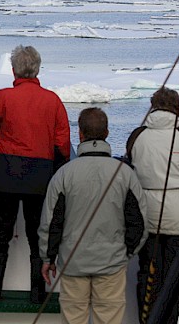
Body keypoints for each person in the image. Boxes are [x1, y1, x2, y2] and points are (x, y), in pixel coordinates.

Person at [0, 45, 71, 304]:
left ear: (14, 69)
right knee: (37, 235)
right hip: (40, 173)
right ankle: (37, 294)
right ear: (38, 68)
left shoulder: (4, 98)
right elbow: (63, 142)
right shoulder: (52, 100)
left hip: (6, 171)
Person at [39, 107, 146, 324]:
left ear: (80, 133)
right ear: (107, 133)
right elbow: (140, 223)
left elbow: (52, 222)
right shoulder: (125, 174)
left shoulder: (64, 174)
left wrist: (48, 258)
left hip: (73, 263)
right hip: (112, 264)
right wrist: (125, 254)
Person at [126, 86, 179, 323]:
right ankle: (169, 319)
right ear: (177, 108)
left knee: (148, 274)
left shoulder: (137, 135)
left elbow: (130, 157)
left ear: (152, 106)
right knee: (176, 275)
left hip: (148, 216)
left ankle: (147, 318)